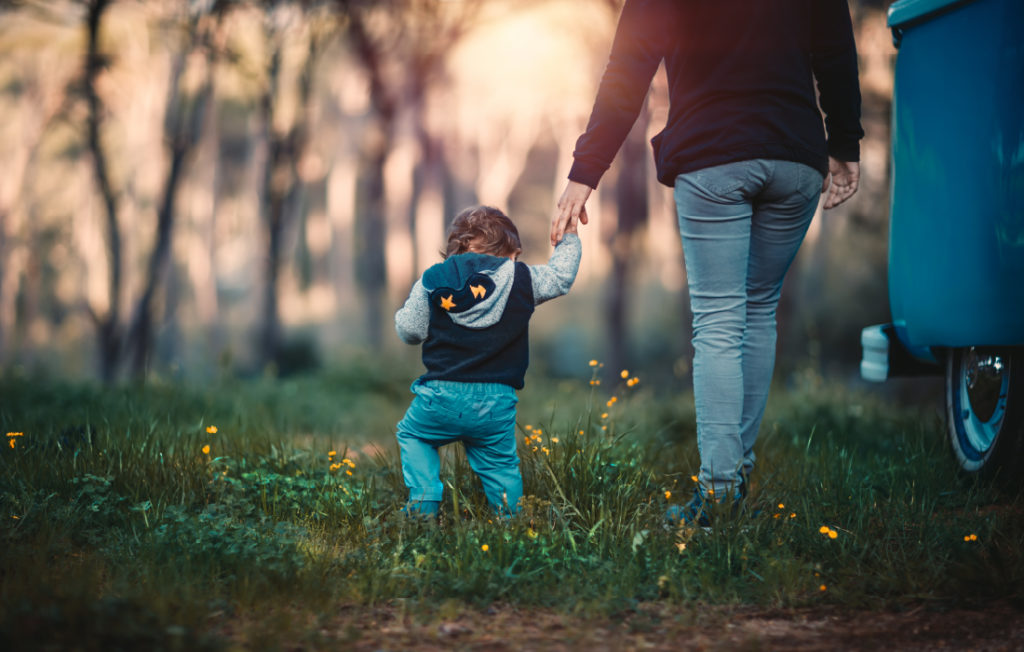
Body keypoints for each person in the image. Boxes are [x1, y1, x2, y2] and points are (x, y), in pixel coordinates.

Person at [550, 0, 863, 525]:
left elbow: (628, 68)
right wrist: (846, 142)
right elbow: (836, 48)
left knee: (720, 318)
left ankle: (719, 494)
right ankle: (734, 479)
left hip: (714, 153)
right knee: (758, 309)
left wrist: (586, 171)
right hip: (795, 157)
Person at [395, 205, 581, 518]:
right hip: (496, 401)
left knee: (414, 435)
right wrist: (570, 238)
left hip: (440, 397)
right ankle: (512, 523)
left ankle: (424, 503)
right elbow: (560, 278)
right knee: (500, 465)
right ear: (512, 251)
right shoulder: (521, 277)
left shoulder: (433, 280)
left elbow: (410, 330)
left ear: (455, 247)